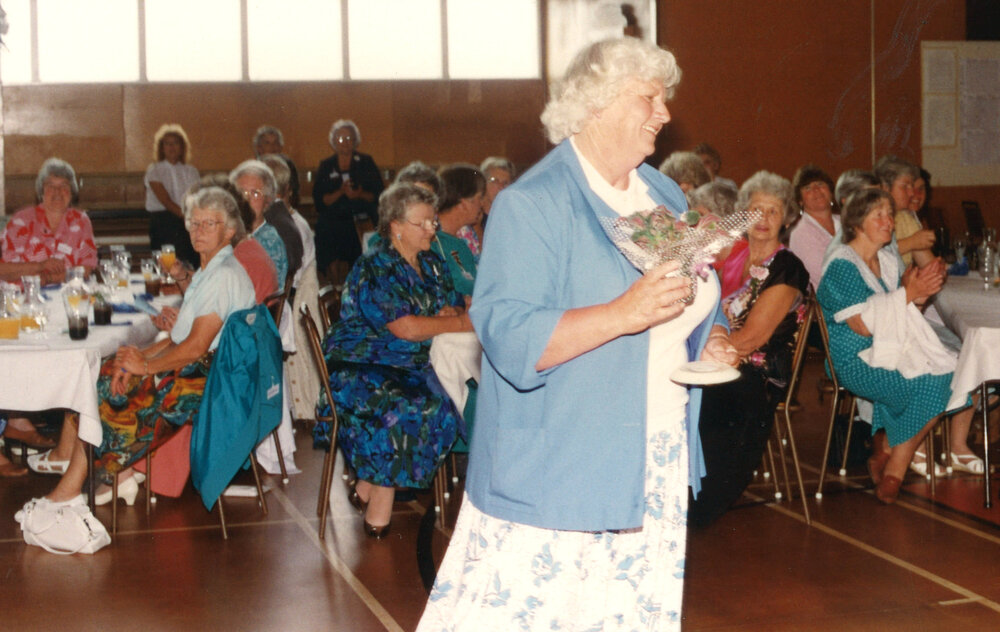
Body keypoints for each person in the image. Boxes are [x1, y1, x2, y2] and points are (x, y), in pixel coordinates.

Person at [417, 38, 735, 631]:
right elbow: (510, 337)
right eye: (649, 98)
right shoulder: (533, 204)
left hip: (654, 446)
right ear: (599, 103)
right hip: (564, 463)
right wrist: (624, 312)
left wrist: (708, 334)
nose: (664, 114)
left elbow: (691, 293)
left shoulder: (660, 192)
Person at [23, 186, 255, 512]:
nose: (198, 231)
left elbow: (194, 347)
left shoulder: (222, 276)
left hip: (209, 382)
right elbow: (180, 339)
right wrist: (134, 358)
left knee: (100, 388)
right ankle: (107, 477)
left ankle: (84, 485)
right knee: (103, 370)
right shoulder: (211, 269)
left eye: (210, 224)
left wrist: (143, 367)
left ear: (230, 231)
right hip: (207, 368)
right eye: (195, 223)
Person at [314, 183, 470, 538]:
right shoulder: (376, 268)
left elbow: (454, 302)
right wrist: (458, 322)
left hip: (409, 363)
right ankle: (380, 499)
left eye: (433, 222)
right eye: (424, 223)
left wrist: (452, 310)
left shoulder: (431, 263)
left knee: (440, 407)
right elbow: (405, 327)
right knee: (399, 408)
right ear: (396, 226)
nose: (433, 229)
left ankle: (370, 483)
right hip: (361, 363)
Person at [816, 188, 980, 504]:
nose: (888, 221)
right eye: (878, 214)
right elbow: (862, 325)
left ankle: (892, 453)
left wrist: (919, 295)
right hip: (854, 358)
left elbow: (900, 315)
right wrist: (908, 294)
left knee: (955, 374)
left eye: (889, 214)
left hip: (889, 348)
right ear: (856, 223)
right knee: (938, 384)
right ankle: (896, 465)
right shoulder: (842, 265)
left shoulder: (887, 259)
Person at [690, 171, 809, 526]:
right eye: (756, 210)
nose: (763, 219)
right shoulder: (735, 258)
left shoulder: (787, 267)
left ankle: (698, 504)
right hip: (721, 362)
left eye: (773, 211)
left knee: (706, 395)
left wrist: (700, 359)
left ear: (786, 219)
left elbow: (752, 338)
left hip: (756, 375)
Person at [312, 119, 384, 284]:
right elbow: (320, 199)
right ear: (333, 141)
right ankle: (334, 282)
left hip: (360, 214)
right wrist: (341, 192)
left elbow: (378, 194)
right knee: (326, 229)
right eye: (340, 139)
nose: (344, 143)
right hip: (333, 216)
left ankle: (358, 279)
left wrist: (360, 194)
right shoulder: (326, 165)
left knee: (357, 229)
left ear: (355, 141)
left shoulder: (365, 162)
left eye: (349, 138)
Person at [2, 158, 97, 282]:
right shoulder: (21, 220)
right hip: (25, 296)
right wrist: (40, 266)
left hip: (69, 295)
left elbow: (86, 268)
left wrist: (49, 279)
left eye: (63, 185)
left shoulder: (80, 220)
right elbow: (3, 269)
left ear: (71, 192)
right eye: (50, 186)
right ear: (41, 192)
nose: (57, 191)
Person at [229, 160, 290, 292]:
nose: (247, 199)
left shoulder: (268, 241)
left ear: (267, 201)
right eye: (242, 193)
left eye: (255, 193)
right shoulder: (236, 235)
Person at [144, 124, 199, 267]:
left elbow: (195, 196)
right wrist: (187, 218)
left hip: (187, 219)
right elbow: (166, 201)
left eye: (175, 143)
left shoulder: (191, 171)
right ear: (161, 148)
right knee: (168, 264)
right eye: (167, 144)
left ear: (182, 147)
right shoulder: (154, 170)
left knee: (191, 261)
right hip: (164, 222)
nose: (171, 147)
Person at [433, 164, 483, 298]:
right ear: (464, 204)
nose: (481, 204)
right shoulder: (430, 238)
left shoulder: (467, 236)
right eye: (479, 198)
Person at [874, 155, 934, 268]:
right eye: (905, 186)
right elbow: (873, 255)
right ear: (885, 187)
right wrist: (911, 242)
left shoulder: (905, 219)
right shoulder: (870, 218)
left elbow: (929, 264)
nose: (911, 193)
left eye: (911, 186)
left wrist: (938, 269)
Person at [788, 164, 840, 290]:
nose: (816, 190)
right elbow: (827, 277)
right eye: (807, 188)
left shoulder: (846, 222)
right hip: (831, 302)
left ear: (830, 191)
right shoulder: (800, 234)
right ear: (800, 200)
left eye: (820, 184)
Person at [456, 156, 515, 257]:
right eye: (494, 180)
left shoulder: (511, 218)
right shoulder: (471, 217)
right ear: (483, 183)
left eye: (505, 183)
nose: (500, 187)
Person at [253, 125, 301, 209]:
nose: (272, 147)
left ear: (281, 147)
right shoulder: (253, 168)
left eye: (276, 143)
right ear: (258, 148)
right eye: (267, 143)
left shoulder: (288, 165)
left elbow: (295, 195)